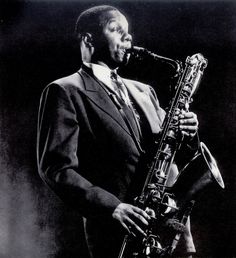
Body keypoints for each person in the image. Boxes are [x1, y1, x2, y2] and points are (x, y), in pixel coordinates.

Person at [37, 5, 198, 258]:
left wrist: (188, 130)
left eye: (128, 32)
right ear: (89, 39)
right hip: (118, 232)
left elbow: (170, 151)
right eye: (116, 30)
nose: (128, 38)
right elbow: (57, 168)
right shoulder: (64, 91)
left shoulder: (145, 91)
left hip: (167, 228)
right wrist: (113, 207)